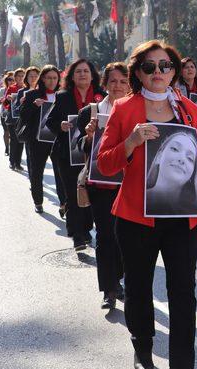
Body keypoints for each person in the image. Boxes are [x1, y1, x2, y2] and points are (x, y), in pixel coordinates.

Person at [97, 40, 197, 369]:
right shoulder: (124, 109)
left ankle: (184, 365)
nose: (158, 73)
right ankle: (143, 350)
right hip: (136, 217)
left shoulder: (189, 110)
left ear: (174, 69)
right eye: (149, 67)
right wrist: (132, 142)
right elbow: (105, 163)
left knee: (184, 291)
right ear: (137, 72)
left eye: (164, 65)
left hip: (183, 217)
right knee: (138, 288)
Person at [76, 62, 129, 309]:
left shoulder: (137, 109)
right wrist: (88, 137)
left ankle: (118, 279)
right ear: (105, 83)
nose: (117, 86)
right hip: (100, 184)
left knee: (123, 237)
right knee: (105, 236)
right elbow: (79, 149)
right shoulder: (92, 111)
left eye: (123, 81)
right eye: (113, 81)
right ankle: (109, 288)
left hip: (129, 184)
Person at [46, 59, 106, 250]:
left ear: (92, 75)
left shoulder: (102, 96)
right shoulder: (63, 96)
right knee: (73, 194)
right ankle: (77, 235)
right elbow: (50, 121)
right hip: (67, 154)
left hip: (93, 155)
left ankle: (87, 228)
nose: (82, 74)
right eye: (78, 71)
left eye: (86, 71)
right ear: (72, 76)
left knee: (89, 193)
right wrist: (61, 126)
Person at [18, 66, 65, 214]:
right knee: (37, 172)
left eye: (55, 78)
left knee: (61, 173)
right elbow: (23, 116)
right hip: (37, 141)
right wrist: (33, 105)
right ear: (42, 79)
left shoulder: (63, 95)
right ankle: (38, 201)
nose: (52, 81)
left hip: (57, 140)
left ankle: (64, 203)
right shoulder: (32, 94)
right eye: (48, 78)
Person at [13, 67, 39, 173]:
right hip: (29, 127)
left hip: (42, 128)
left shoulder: (43, 91)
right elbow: (17, 110)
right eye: (30, 76)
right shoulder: (22, 92)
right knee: (30, 154)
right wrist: (21, 103)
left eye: (35, 76)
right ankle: (33, 179)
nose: (33, 78)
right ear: (26, 78)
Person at [3, 69, 24, 170]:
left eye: (23, 76)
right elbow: (5, 104)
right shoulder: (11, 88)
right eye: (19, 76)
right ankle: (12, 162)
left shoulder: (27, 89)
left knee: (21, 141)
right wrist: (8, 99)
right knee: (14, 140)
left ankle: (18, 163)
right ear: (15, 78)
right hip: (12, 118)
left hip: (23, 119)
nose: (21, 78)